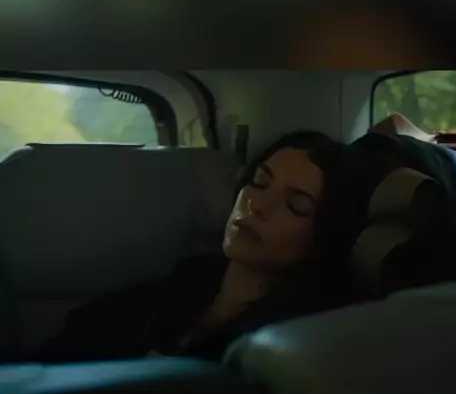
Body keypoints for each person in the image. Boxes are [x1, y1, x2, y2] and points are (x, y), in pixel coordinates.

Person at [34, 131, 350, 364]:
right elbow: (84, 335)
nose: (258, 205)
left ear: (322, 237)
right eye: (259, 182)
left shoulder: (284, 341)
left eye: (296, 205)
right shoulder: (190, 278)